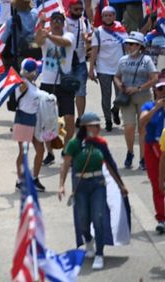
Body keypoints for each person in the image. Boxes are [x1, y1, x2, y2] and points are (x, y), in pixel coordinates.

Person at [58, 112, 128, 270]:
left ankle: (99, 254)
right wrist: (61, 185)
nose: (97, 128)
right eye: (93, 125)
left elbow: (110, 165)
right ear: (84, 127)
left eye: (98, 125)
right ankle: (88, 241)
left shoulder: (101, 143)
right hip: (80, 185)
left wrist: (121, 185)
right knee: (83, 220)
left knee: (99, 217)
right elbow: (65, 165)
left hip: (98, 184)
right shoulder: (74, 144)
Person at [114, 31, 157, 169]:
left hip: (143, 96)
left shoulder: (147, 60)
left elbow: (154, 78)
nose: (129, 47)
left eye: (132, 44)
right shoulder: (123, 60)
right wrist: (120, 85)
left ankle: (143, 158)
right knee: (129, 127)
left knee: (143, 128)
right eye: (127, 44)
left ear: (140, 46)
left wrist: (138, 88)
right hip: (127, 98)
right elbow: (116, 76)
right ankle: (130, 152)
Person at [36, 11, 75, 146]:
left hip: (64, 83)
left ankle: (68, 147)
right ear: (50, 23)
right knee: (47, 119)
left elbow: (64, 43)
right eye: (54, 21)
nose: (57, 24)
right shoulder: (45, 36)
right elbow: (38, 41)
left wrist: (48, 35)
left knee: (69, 118)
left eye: (59, 21)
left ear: (64, 24)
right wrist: (41, 25)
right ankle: (50, 152)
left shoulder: (69, 35)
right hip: (47, 82)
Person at [88, 6, 127, 131]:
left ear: (114, 16)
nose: (108, 17)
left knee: (121, 95)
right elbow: (94, 51)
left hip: (119, 69)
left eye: (111, 15)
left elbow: (128, 46)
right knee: (106, 95)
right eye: (106, 15)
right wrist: (91, 69)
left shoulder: (121, 29)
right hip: (103, 68)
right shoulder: (98, 32)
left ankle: (115, 110)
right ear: (102, 17)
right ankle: (108, 120)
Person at [13, 59, 47, 192]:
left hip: (34, 119)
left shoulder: (32, 84)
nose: (38, 72)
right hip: (23, 119)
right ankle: (20, 180)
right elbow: (20, 88)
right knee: (23, 152)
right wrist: (23, 79)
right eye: (36, 70)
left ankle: (34, 178)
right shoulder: (23, 84)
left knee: (40, 150)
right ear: (31, 73)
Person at [139, 75, 165, 233]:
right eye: (160, 89)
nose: (163, 92)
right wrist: (156, 107)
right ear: (155, 91)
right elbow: (142, 122)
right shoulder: (148, 106)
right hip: (152, 147)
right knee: (157, 183)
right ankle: (162, 218)